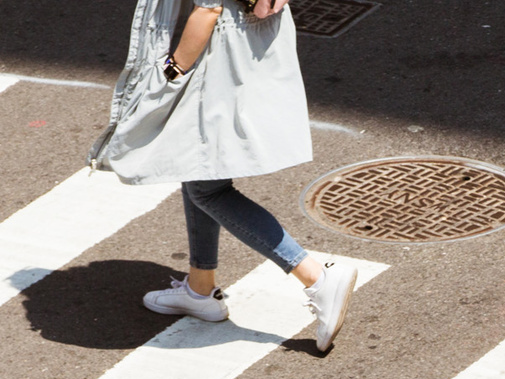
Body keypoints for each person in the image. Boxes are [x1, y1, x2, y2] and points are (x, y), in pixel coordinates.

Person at [92, 0, 357, 352]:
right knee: (197, 167)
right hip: (254, 38)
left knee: (207, 188)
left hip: (220, 53)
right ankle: (201, 289)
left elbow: (207, 9)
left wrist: (172, 72)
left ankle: (316, 276)